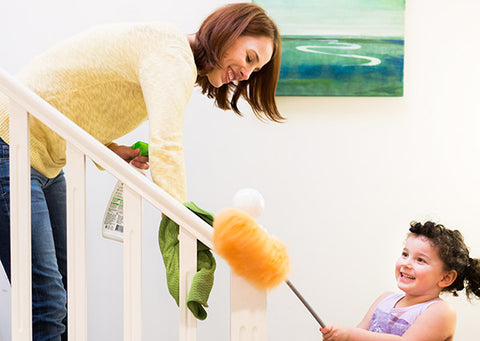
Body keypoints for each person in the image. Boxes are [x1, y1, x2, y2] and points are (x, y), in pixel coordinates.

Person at [0, 3, 283, 340]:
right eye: (250, 58)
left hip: (43, 159)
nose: (247, 75)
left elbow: (75, 98)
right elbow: (167, 145)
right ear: (229, 31)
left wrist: (108, 149)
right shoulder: (171, 53)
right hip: (10, 145)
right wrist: (183, 221)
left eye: (256, 70)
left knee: (65, 298)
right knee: (47, 302)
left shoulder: (171, 54)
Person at [321, 221, 480, 341]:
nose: (406, 263)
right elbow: (358, 334)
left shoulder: (441, 311)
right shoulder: (384, 299)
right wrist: (337, 337)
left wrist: (348, 334)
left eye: (420, 260)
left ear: (446, 277)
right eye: (405, 254)